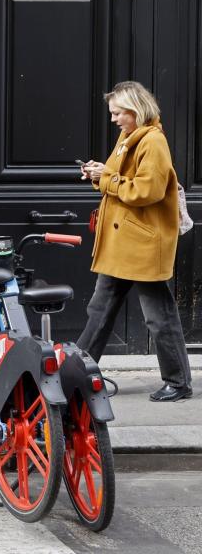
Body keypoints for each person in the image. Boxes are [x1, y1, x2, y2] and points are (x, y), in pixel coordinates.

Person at [77, 80, 193, 402]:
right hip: (122, 241)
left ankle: (179, 382)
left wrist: (108, 179)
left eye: (118, 113)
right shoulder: (128, 137)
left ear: (135, 110)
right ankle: (76, 373)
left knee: (159, 315)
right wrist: (98, 173)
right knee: (99, 309)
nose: (113, 119)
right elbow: (116, 179)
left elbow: (147, 191)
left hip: (141, 244)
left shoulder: (153, 142)